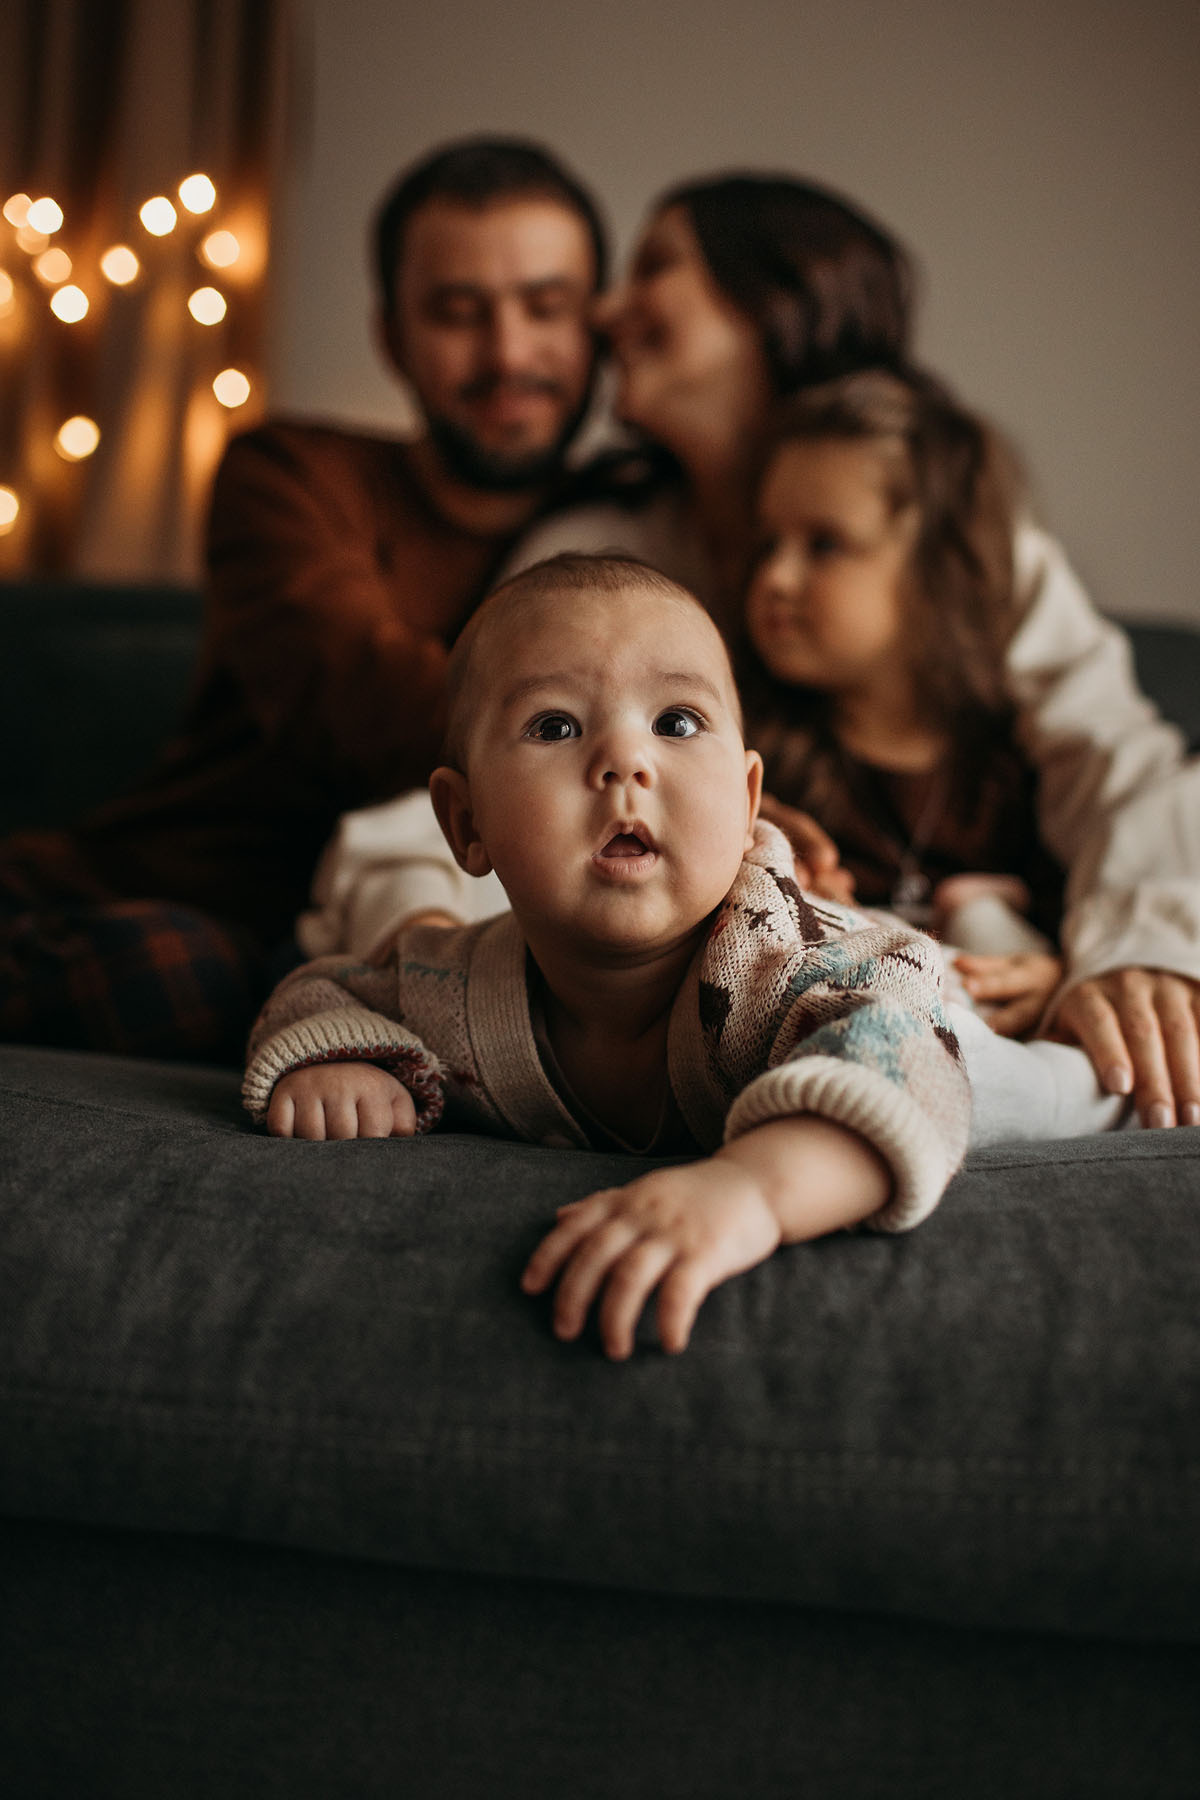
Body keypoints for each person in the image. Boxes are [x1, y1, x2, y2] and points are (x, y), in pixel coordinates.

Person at [476, 172, 1200, 1129]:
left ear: (774, 307)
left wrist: (1129, 953)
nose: (606, 309)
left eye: (653, 268)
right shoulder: (597, 558)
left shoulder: (959, 546)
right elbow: (494, 782)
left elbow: (1109, 755)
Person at [243, 555, 972, 1360]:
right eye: (556, 726)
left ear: (748, 800)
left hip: (961, 1032)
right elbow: (321, 990)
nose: (626, 763)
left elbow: (904, 1068)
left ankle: (984, 915)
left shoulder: (787, 965)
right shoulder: (450, 989)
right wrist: (341, 1062)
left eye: (677, 722)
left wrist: (752, 1192)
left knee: (1059, 1079)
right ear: (465, 821)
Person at [0, 136, 607, 1061]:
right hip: (129, 904)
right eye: (457, 312)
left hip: (322, 951)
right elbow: (352, 698)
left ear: (597, 327)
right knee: (187, 976)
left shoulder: (627, 531)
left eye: (547, 307)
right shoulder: (286, 473)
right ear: (392, 336)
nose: (507, 352)